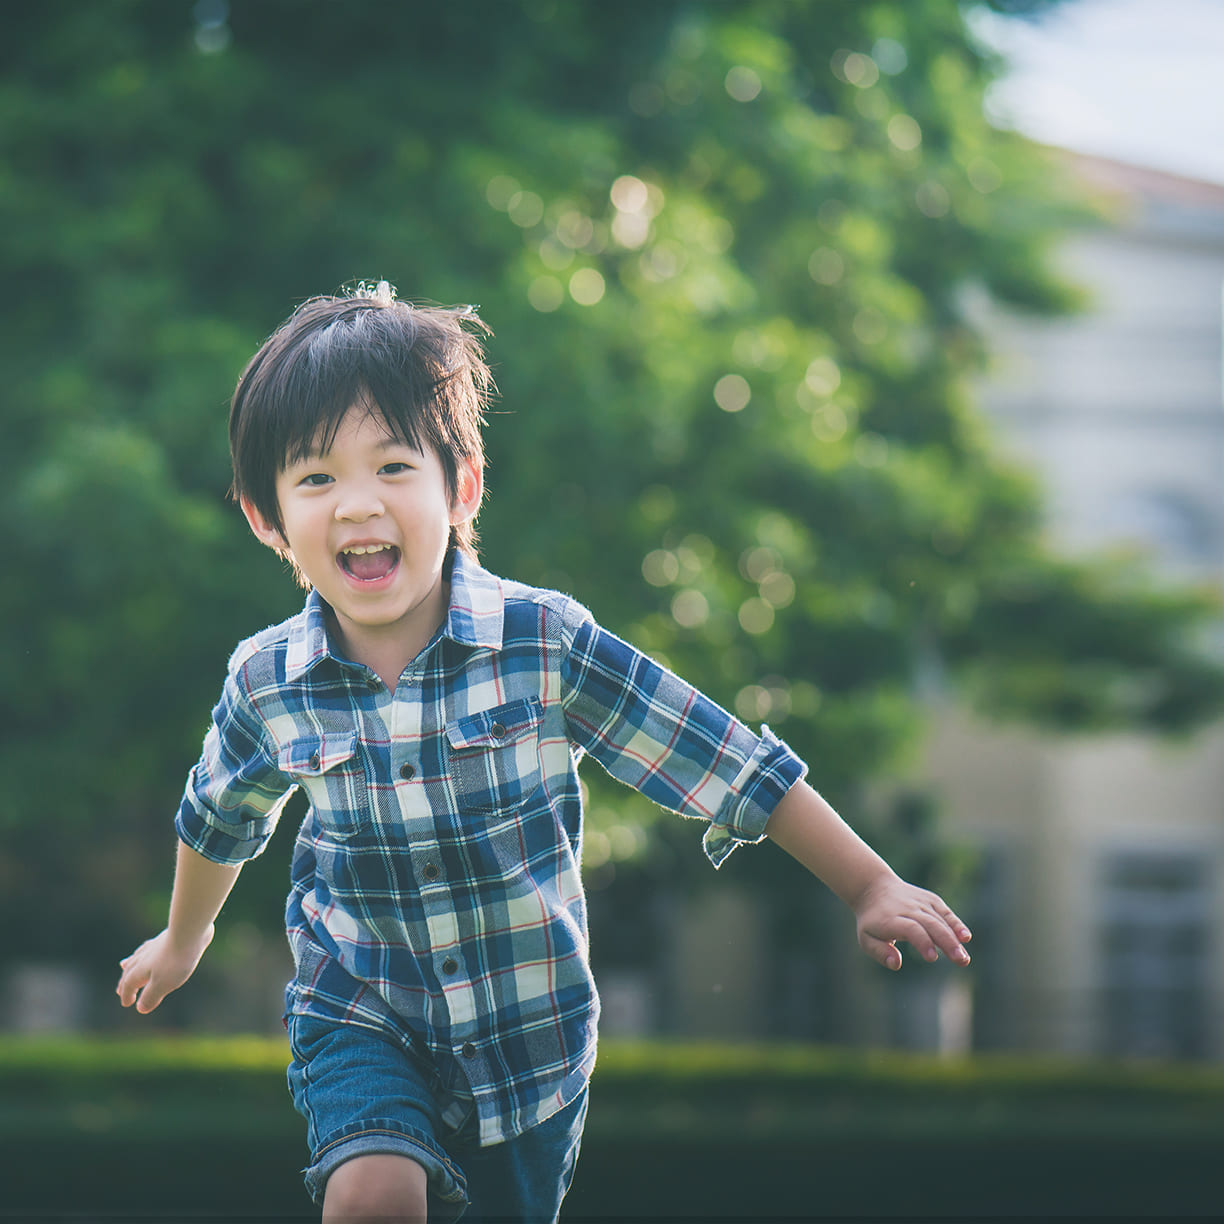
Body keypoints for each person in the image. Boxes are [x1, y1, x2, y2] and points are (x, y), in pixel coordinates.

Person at [117, 282, 972, 1224]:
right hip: (358, 1005)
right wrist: (183, 938)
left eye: (394, 466)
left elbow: (718, 756)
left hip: (529, 1036)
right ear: (266, 518)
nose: (358, 504)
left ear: (464, 485)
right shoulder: (267, 680)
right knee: (371, 1193)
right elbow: (219, 815)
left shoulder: (543, 642)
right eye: (316, 479)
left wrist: (868, 886)